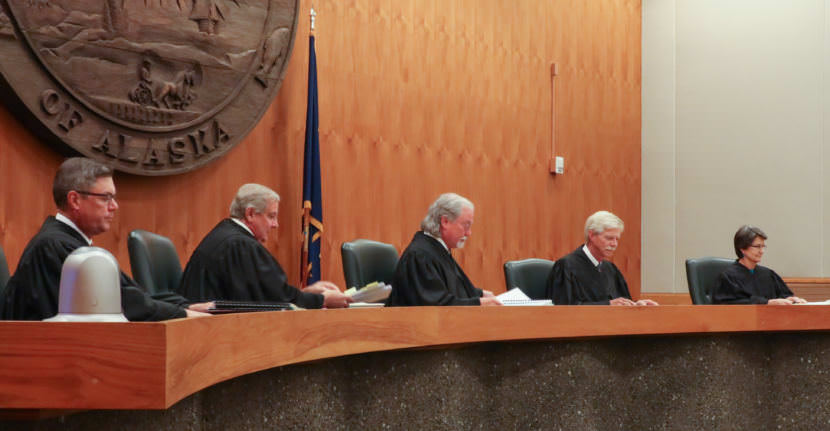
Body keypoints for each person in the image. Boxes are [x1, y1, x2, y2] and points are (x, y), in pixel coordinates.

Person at [2, 158, 210, 321]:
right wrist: (182, 314)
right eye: (105, 198)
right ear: (75, 200)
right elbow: (120, 305)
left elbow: (130, 294)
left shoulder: (70, 243)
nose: (114, 206)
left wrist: (185, 308)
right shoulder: (56, 246)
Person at [178, 184, 351, 308]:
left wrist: (307, 293)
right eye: (271, 216)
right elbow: (273, 301)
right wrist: (322, 300)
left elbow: (265, 294)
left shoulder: (227, 235)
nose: (275, 224)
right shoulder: (240, 245)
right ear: (251, 213)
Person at [386, 193, 501, 306]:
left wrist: (480, 294)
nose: (468, 233)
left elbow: (449, 289)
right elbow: (436, 306)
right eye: (466, 225)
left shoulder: (438, 250)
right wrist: (479, 303)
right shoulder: (420, 255)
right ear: (445, 222)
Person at [546, 210, 658, 306]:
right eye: (609, 238)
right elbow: (563, 309)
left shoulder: (611, 269)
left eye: (617, 239)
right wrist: (608, 305)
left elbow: (621, 302)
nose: (614, 244)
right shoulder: (566, 266)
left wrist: (636, 304)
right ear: (591, 235)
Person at [712, 225, 806, 305]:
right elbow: (730, 305)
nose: (762, 251)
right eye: (757, 246)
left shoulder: (768, 274)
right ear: (742, 248)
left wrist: (791, 300)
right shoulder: (728, 277)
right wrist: (766, 303)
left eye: (763, 246)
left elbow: (783, 296)